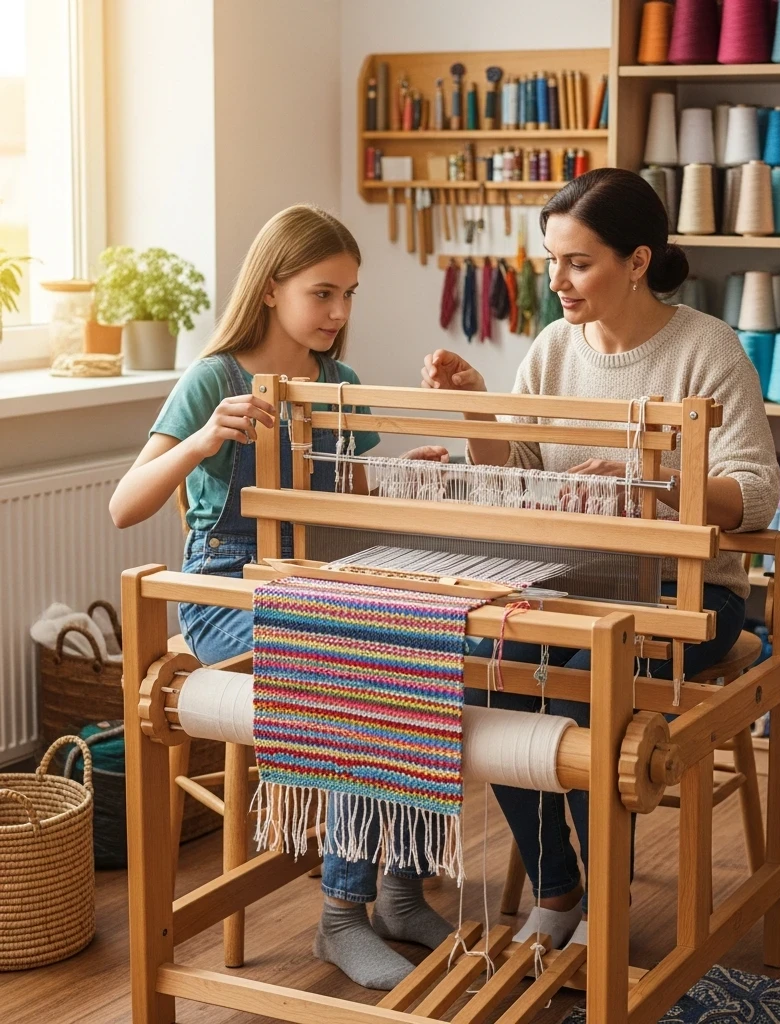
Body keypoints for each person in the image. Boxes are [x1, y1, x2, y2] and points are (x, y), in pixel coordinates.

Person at [421, 168, 780, 949]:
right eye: (552, 260)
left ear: (639, 261)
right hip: (566, 588)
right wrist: (478, 405)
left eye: (578, 262)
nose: (557, 281)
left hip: (684, 597)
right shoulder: (552, 349)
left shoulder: (707, 349)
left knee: (591, 694)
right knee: (490, 673)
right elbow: (514, 467)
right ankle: (559, 888)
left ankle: (607, 906)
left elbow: (757, 492)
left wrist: (649, 482)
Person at [110, 204, 453, 991]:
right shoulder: (214, 377)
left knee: (421, 638)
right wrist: (203, 439)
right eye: (322, 293)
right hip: (224, 587)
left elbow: (343, 494)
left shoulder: (340, 384)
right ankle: (340, 916)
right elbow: (125, 505)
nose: (339, 313)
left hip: (315, 579)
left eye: (350, 295)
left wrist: (401, 468)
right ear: (271, 289)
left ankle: (399, 890)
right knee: (355, 655)